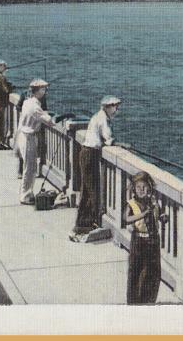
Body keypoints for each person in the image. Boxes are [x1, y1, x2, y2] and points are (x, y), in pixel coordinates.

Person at [72, 95, 123, 236]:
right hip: (90, 154)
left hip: (87, 153)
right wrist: (122, 144)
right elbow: (108, 139)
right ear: (106, 107)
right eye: (114, 106)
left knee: (87, 190)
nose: (116, 109)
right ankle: (90, 223)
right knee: (92, 190)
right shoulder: (103, 119)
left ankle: (83, 223)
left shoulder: (98, 116)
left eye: (117, 106)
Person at [125, 171, 165, 304]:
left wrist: (163, 217)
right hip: (139, 241)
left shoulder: (154, 201)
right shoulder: (132, 203)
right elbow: (126, 219)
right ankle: (134, 302)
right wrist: (142, 215)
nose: (141, 190)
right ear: (134, 189)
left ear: (150, 187)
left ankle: (149, 300)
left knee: (153, 272)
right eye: (138, 188)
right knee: (136, 272)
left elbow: (159, 215)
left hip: (153, 240)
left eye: (144, 187)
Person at [13, 79, 53, 205]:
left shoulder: (27, 102)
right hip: (29, 137)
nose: (45, 91)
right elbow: (49, 121)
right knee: (30, 168)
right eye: (43, 89)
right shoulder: (35, 106)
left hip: (22, 135)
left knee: (29, 167)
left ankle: (27, 193)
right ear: (38, 91)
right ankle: (25, 195)